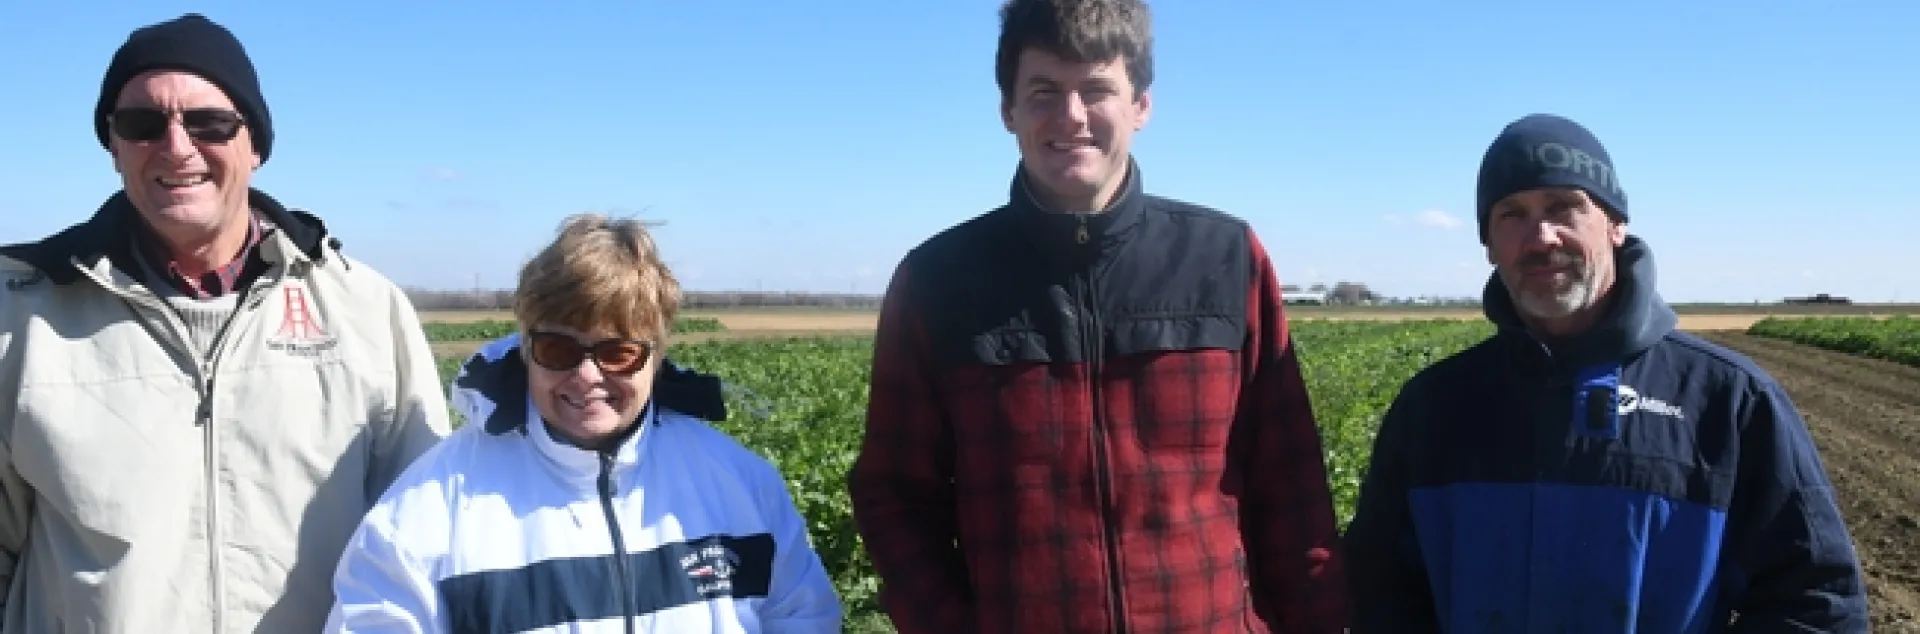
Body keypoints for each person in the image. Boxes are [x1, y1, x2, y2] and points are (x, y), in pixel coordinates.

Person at [845, 0, 1348, 632]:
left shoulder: (1224, 258)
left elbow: (1290, 483)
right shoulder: (938, 280)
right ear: (1008, 110)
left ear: (1141, 105)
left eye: (1097, 90)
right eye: (1044, 92)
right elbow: (895, 493)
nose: (1072, 116)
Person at [0, 12, 453, 634]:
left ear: (255, 145)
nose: (177, 146)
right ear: (114, 147)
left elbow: (426, 540)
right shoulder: (20, 315)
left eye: (208, 122)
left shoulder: (367, 311)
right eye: (142, 123)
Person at [1343, 112, 1872, 631]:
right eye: (1511, 214)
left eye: (1564, 207)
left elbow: (1816, 603)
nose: (1541, 237)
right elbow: (1381, 592)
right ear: (1489, 246)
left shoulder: (1727, 399)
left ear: (1616, 225)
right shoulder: (1434, 405)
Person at [322, 214, 843, 633]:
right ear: (525, 349)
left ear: (657, 357)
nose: (588, 376)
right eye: (558, 349)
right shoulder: (429, 506)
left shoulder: (740, 483)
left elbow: (803, 617)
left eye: (618, 353)